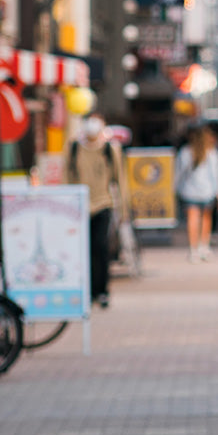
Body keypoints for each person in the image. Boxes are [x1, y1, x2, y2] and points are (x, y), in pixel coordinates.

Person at [65, 113, 129, 309]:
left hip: (103, 204)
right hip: (79, 206)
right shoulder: (74, 148)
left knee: (101, 248)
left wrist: (124, 209)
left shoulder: (111, 149)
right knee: (84, 250)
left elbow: (121, 180)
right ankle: (88, 290)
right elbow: (66, 177)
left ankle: (102, 291)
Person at [175, 124, 218, 262]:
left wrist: (175, 188)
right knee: (206, 219)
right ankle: (204, 246)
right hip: (207, 191)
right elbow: (216, 174)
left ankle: (193, 249)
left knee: (192, 219)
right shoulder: (212, 152)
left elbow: (179, 173)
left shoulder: (185, 152)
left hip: (189, 190)